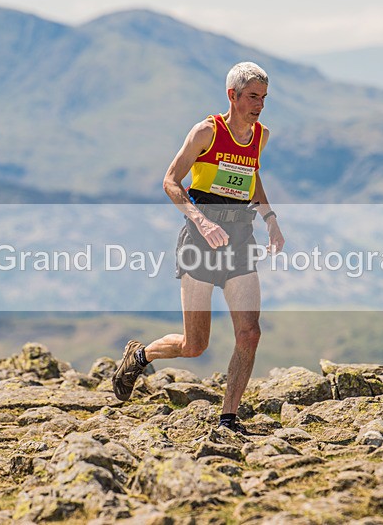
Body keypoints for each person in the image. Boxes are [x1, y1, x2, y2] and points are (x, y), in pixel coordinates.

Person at [112, 62, 285, 433]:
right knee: (194, 345)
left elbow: (250, 179)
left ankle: (228, 419)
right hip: (200, 241)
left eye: (264, 98)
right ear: (232, 95)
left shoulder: (260, 135)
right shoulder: (206, 132)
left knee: (249, 333)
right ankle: (140, 355)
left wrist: (271, 220)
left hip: (240, 240)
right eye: (253, 97)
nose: (259, 105)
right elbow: (171, 181)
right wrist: (200, 220)